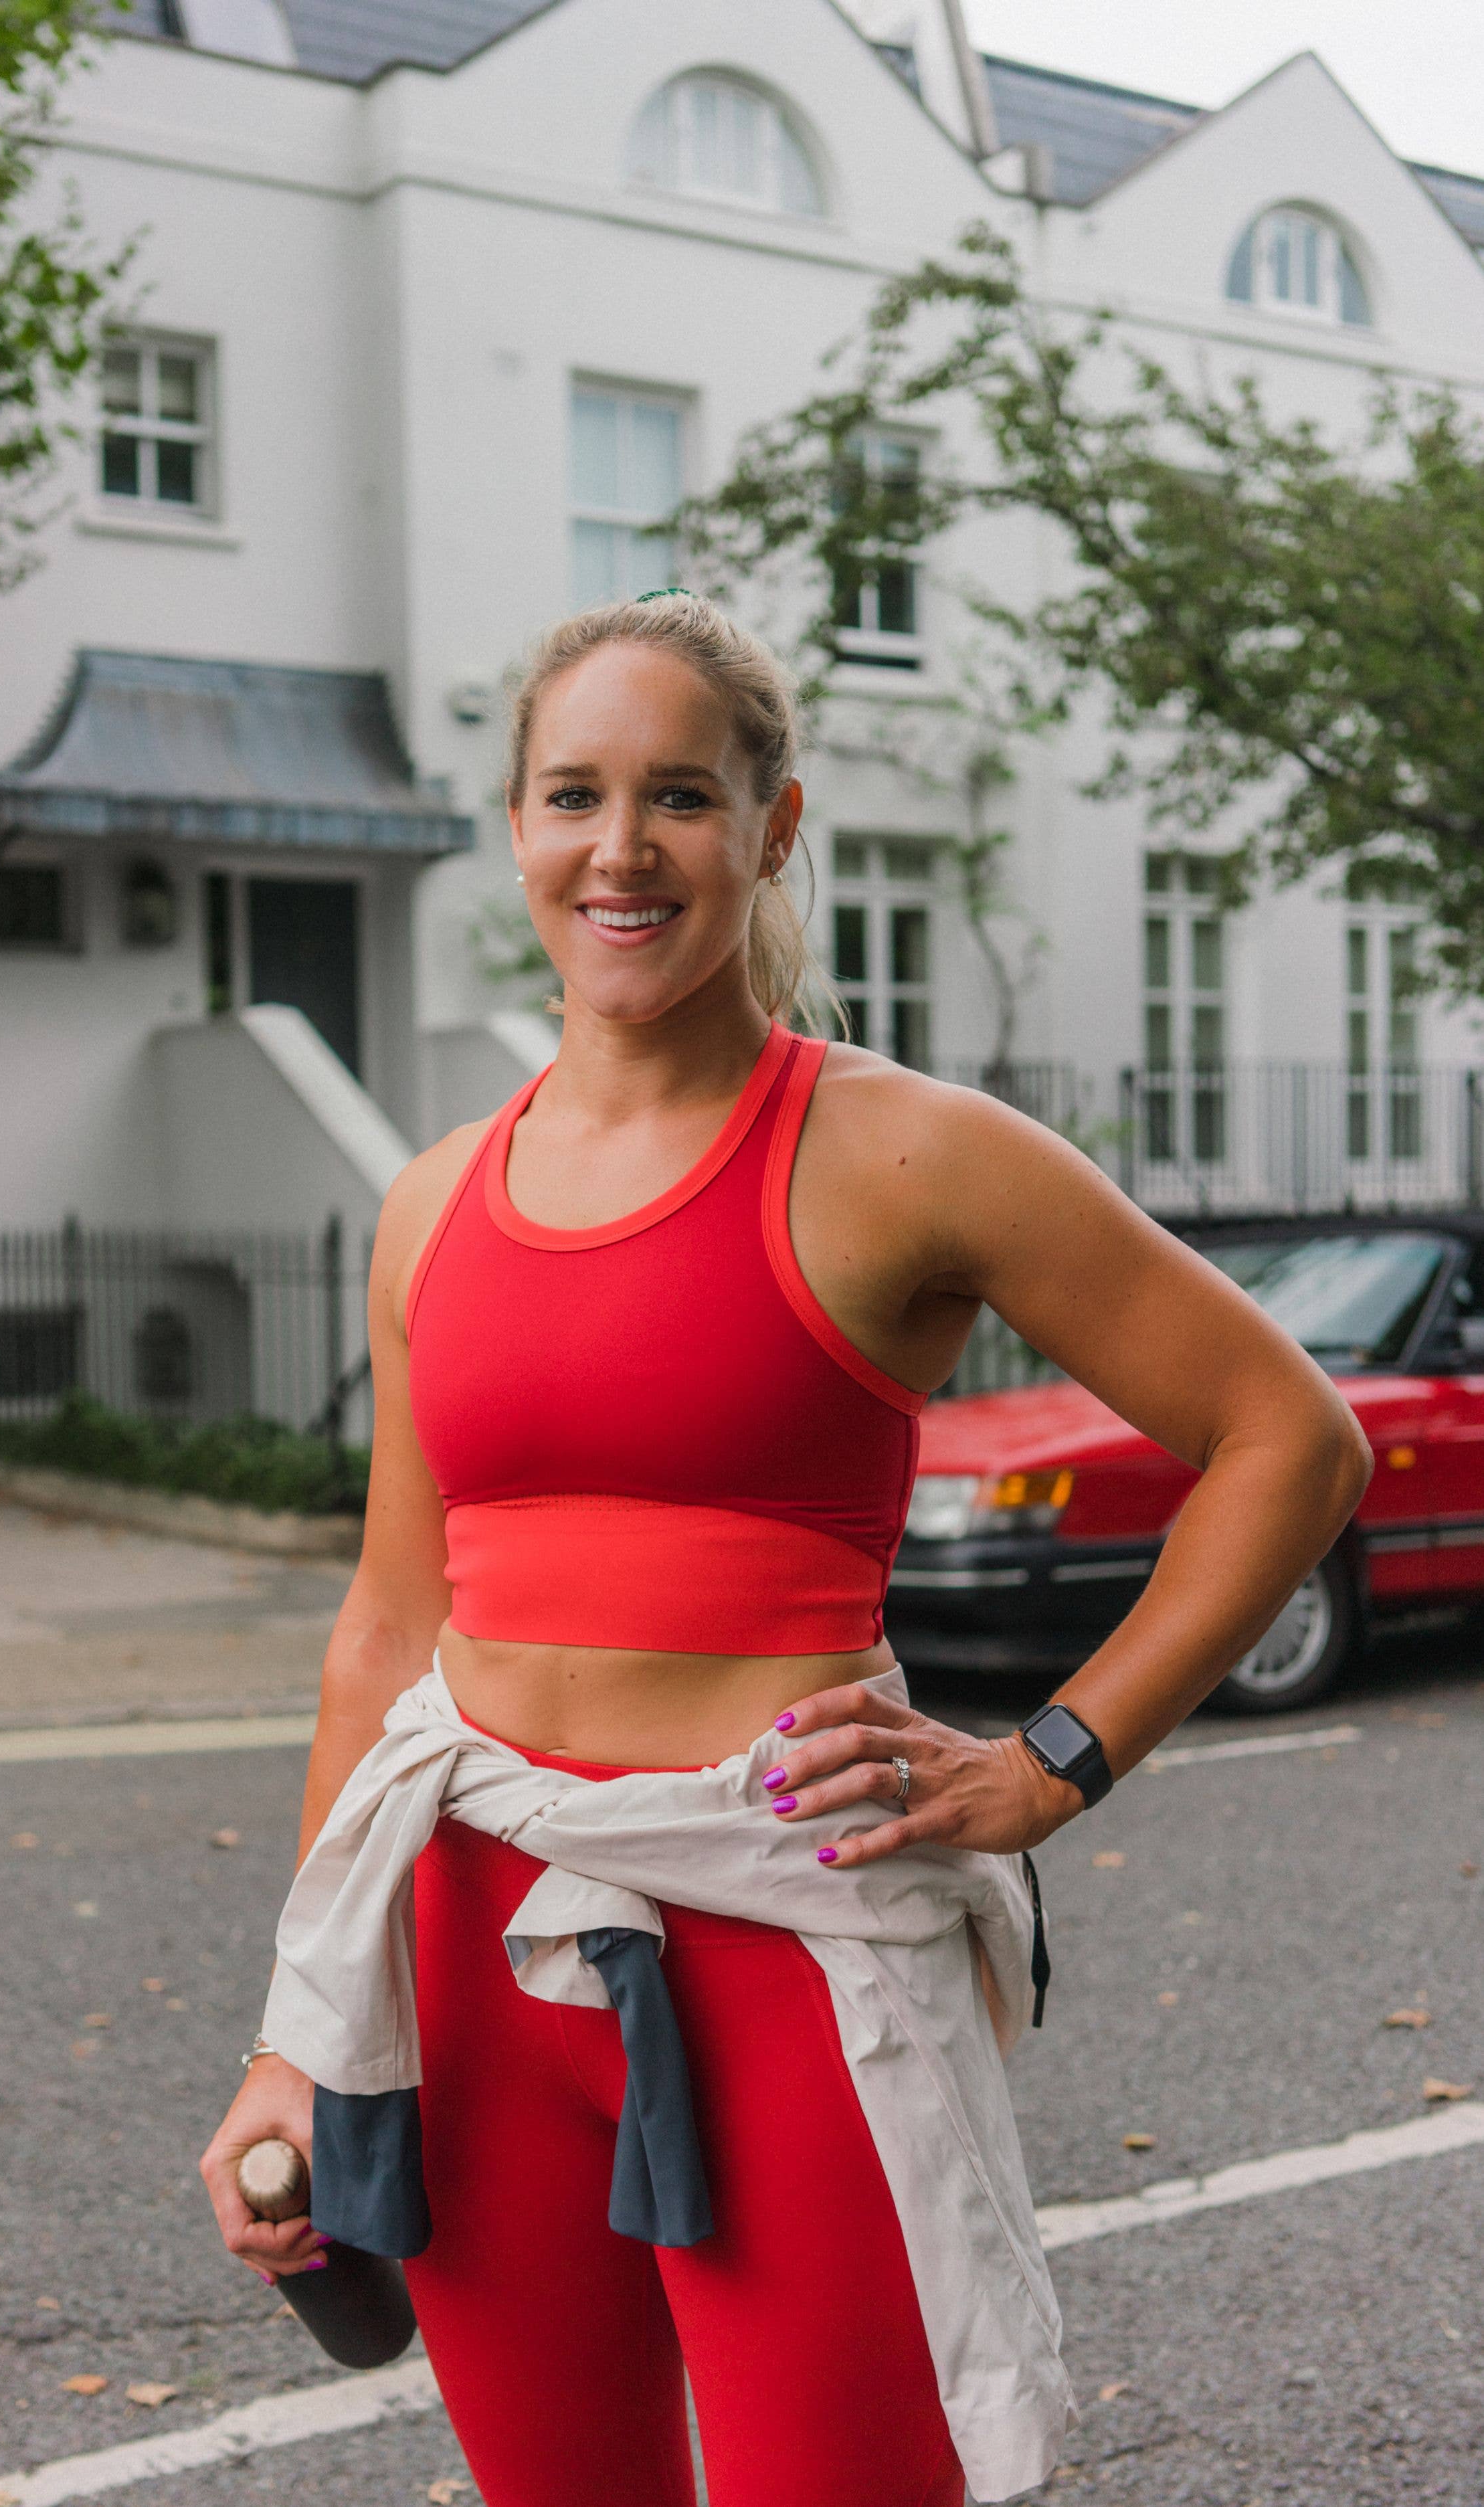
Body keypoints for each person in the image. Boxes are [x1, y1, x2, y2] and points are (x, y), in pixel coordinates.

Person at [201, 593, 1370, 2507]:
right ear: (516, 828)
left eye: (681, 795)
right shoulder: (431, 1204)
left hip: (791, 1951)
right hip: (467, 1955)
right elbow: (386, 1630)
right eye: (573, 795)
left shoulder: (904, 1152)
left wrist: (1049, 1764)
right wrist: (292, 2043)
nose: (621, 847)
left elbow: (1289, 1439)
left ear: (775, 826)